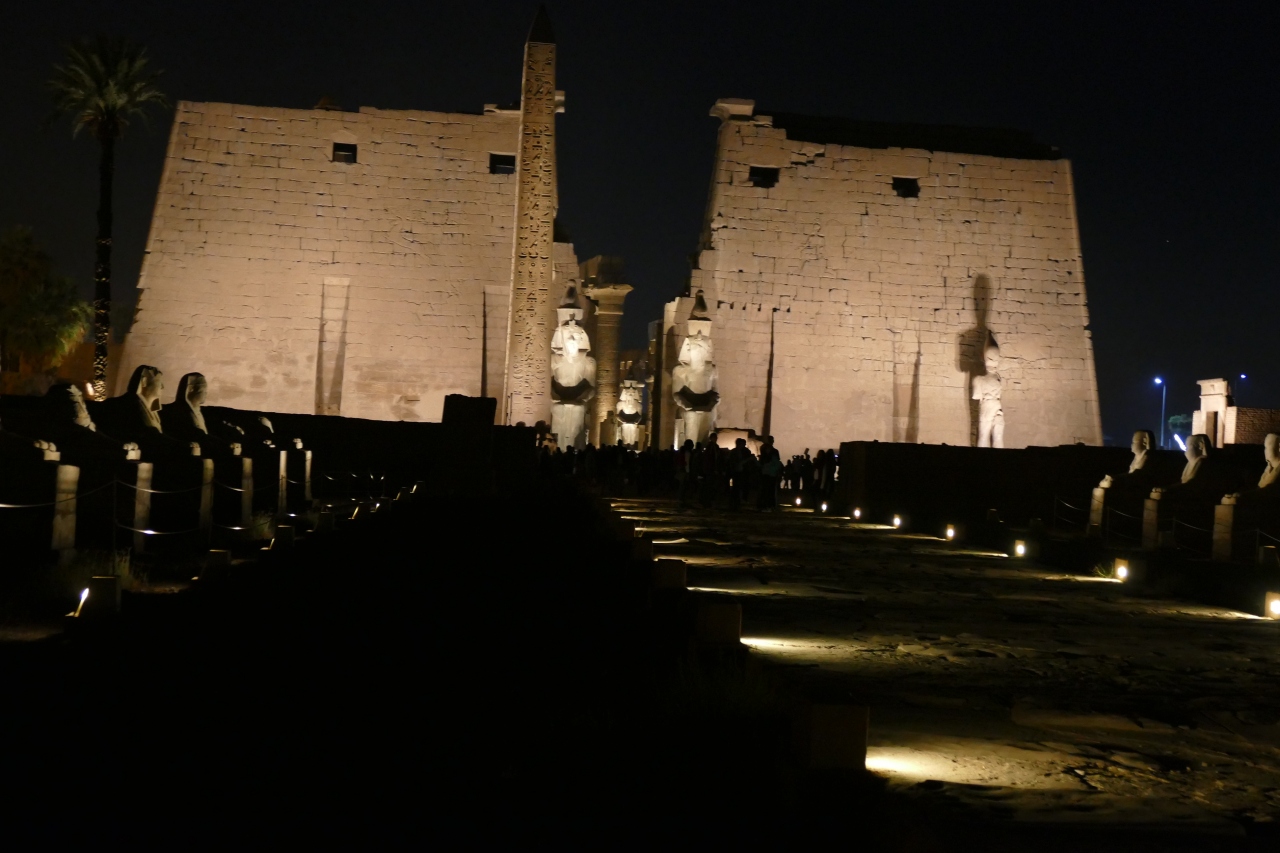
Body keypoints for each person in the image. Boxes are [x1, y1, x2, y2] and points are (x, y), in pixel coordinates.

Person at [757, 436, 781, 510]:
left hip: (768, 472)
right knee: (768, 489)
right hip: (769, 473)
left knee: (767, 489)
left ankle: (766, 504)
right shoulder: (772, 451)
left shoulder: (767, 450)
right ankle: (767, 505)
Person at [729, 437, 751, 510]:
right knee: (736, 488)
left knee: (737, 488)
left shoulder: (735, 451)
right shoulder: (736, 452)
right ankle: (735, 503)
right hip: (737, 471)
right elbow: (738, 462)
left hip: (738, 471)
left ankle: (735, 503)